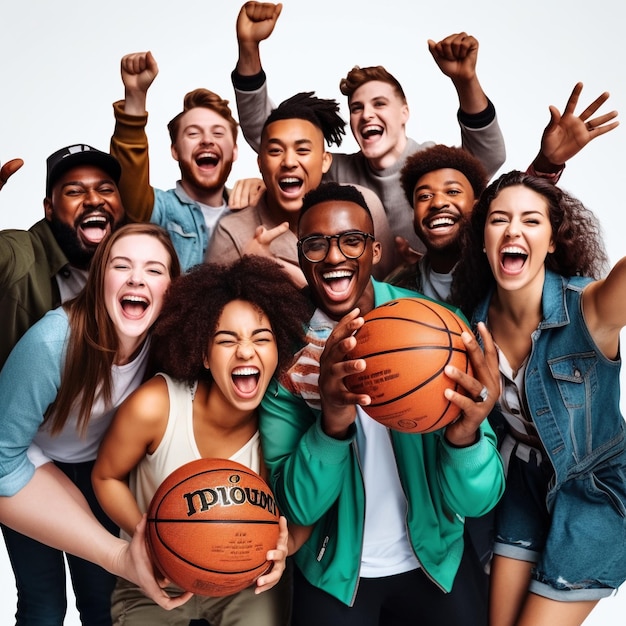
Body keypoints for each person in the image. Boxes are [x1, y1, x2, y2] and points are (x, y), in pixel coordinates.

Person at [258, 181, 505, 625]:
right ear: (300, 255)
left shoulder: (440, 329)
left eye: (351, 241)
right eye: (316, 245)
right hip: (335, 572)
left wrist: (466, 437)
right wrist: (332, 420)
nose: (335, 257)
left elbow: (479, 501)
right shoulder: (283, 355)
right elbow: (294, 508)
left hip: (436, 561)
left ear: (373, 251)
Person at [92, 256, 312, 625]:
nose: (246, 351)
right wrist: (148, 540)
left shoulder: (289, 422)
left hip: (247, 581)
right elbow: (105, 477)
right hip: (154, 573)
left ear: (279, 351)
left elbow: (307, 504)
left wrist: (285, 547)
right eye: (227, 340)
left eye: (262, 338)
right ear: (204, 355)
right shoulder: (156, 405)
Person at [450, 171, 626, 626]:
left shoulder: (589, 309)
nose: (513, 231)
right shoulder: (471, 326)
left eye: (531, 221)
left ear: (551, 241)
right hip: (524, 483)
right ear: (483, 238)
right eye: (499, 220)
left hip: (595, 489)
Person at [0, 223, 182, 625]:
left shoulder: (167, 345)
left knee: (103, 605)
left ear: (172, 288)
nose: (137, 277)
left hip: (101, 469)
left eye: (154, 270)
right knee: (44, 607)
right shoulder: (52, 342)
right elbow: (0, 456)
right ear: (100, 278)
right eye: (122, 265)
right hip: (21, 463)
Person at [231, 1, 506, 254]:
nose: (366, 115)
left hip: (427, 296)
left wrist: (465, 81)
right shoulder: (338, 171)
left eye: (379, 104)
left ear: (404, 113)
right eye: (357, 108)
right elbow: (267, 133)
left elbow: (487, 157)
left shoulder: (429, 163)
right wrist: (249, 48)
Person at [390, 82, 619, 301]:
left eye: (452, 192)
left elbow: (518, 200)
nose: (438, 202)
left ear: (478, 207)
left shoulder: (503, 265)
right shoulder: (400, 284)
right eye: (424, 196)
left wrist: (546, 164)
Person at [206, 92, 397, 285]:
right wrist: (250, 269)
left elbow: (391, 286)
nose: (289, 162)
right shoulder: (232, 233)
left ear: (325, 161)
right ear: (260, 163)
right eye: (275, 151)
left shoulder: (364, 206)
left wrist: (273, 265)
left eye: (302, 150)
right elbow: (212, 312)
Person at [111, 51, 261, 271]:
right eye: (193, 134)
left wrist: (268, 187)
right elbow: (128, 182)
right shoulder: (160, 210)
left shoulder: (253, 208)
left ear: (235, 151)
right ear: (175, 150)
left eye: (218, 134)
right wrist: (135, 97)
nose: (207, 140)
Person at [0, 143, 125, 369]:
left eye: (106, 189)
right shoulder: (20, 253)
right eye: (74, 191)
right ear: (49, 208)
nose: (94, 200)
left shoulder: (138, 260)